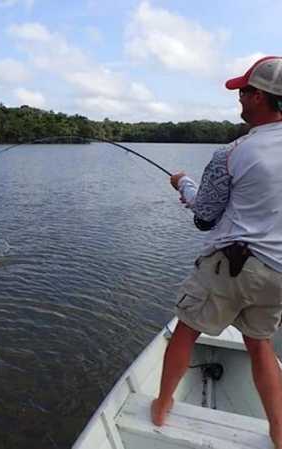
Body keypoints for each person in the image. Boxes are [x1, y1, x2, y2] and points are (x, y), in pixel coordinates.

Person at [151, 56, 282, 448]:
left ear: (260, 97)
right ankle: (278, 431)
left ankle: (162, 404)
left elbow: (205, 218)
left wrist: (183, 184)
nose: (239, 99)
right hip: (279, 273)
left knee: (186, 329)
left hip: (234, 267)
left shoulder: (230, 154)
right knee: (259, 345)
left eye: (244, 92)